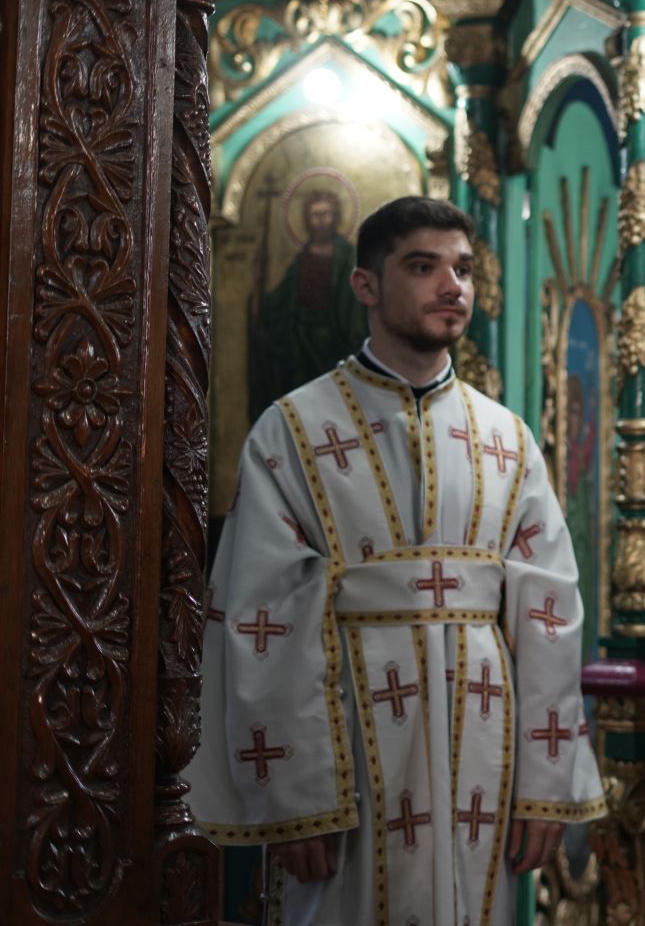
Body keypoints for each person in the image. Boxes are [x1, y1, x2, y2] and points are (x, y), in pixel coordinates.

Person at [187, 197, 606, 925]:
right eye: (424, 266)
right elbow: (263, 614)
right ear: (366, 285)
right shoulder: (293, 430)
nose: (453, 286)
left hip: (485, 752)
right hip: (346, 753)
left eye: (465, 269)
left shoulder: (506, 438)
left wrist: (545, 785)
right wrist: (295, 797)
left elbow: (549, 616)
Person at [249, 186, 370, 422]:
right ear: (307, 219)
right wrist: (258, 294)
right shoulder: (302, 258)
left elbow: (355, 305)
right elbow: (281, 301)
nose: (321, 221)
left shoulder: (347, 255)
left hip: (336, 340)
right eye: (315, 215)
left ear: (336, 217)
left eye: (326, 214)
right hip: (301, 343)